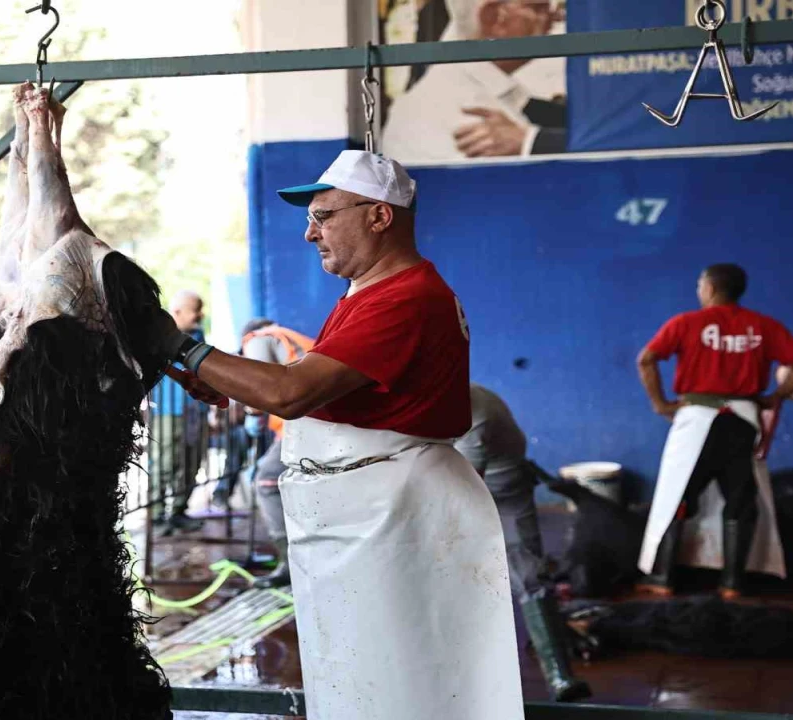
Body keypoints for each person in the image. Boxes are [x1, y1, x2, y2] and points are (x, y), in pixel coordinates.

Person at [150, 150, 522, 720]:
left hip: (390, 513)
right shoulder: (367, 294)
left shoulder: (404, 298)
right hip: (367, 511)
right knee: (361, 671)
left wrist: (178, 343)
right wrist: (225, 382)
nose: (309, 233)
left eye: (324, 216)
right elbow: (313, 394)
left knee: (395, 678)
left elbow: (289, 393)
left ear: (379, 216)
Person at [636, 263, 793, 600]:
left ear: (710, 288)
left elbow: (646, 359)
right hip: (742, 421)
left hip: (697, 419)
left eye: (700, 284)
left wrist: (660, 404)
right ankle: (732, 583)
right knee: (740, 501)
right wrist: (778, 395)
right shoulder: (763, 326)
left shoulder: (686, 323)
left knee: (678, 497)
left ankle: (663, 578)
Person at [455, 383, 591, 701]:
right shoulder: (424, 402)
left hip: (502, 489)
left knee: (528, 573)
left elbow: (462, 495)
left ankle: (560, 675)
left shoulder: (478, 414)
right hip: (454, 481)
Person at [383, 0, 566, 163]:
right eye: (538, 8)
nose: (555, 17)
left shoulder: (476, 88)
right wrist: (532, 141)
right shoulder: (463, 106)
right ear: (494, 16)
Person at [238, 318, 315, 589]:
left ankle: (290, 565)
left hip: (308, 422)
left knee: (267, 481)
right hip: (320, 420)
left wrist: (252, 413)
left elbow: (258, 383)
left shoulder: (257, 340)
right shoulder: (288, 336)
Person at [149, 290, 209, 533]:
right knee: (164, 463)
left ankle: (178, 512)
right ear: (177, 312)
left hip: (194, 411)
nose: (200, 315)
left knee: (191, 462)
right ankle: (156, 515)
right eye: (195, 309)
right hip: (166, 411)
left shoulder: (198, 335)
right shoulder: (158, 337)